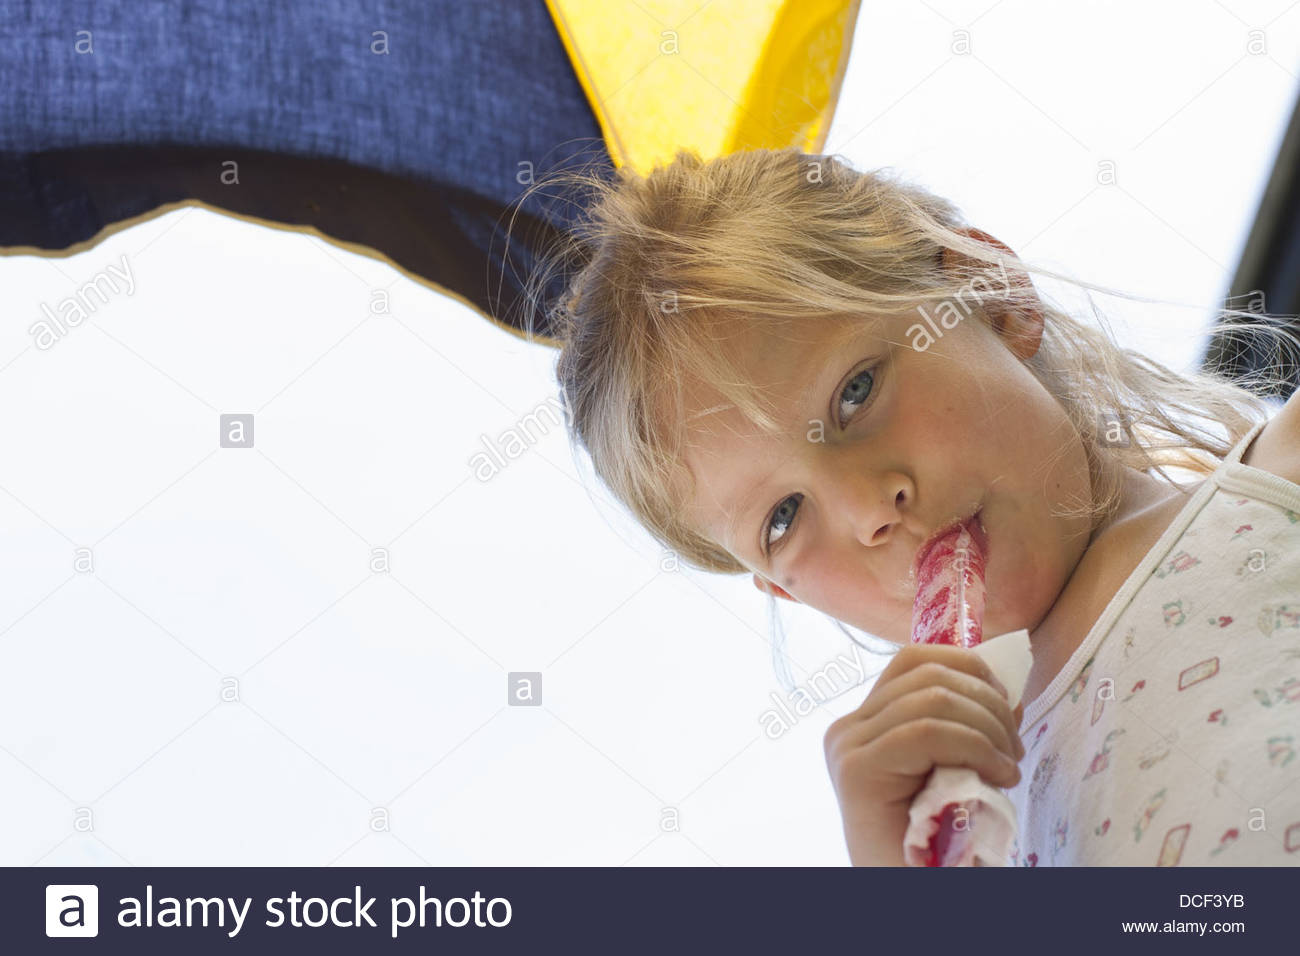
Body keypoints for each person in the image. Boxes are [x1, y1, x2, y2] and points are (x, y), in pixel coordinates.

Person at [522, 147, 1300, 865]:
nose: (870, 510)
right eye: (783, 518)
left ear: (993, 293)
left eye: (855, 392)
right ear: (778, 587)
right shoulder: (960, 830)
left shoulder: (1281, 486)